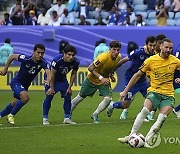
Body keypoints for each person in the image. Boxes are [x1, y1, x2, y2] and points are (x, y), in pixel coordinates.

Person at [118, 38, 180, 148]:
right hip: (154, 92)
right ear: (160, 46)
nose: (168, 50)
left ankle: (146, 141)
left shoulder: (175, 61)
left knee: (161, 120)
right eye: (166, 47)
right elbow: (137, 75)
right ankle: (130, 136)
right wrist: (125, 91)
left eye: (170, 48)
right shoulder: (151, 60)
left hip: (168, 95)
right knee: (145, 111)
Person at [106, 36, 156, 121]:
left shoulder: (154, 55)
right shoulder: (138, 53)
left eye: (154, 45)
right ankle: (113, 105)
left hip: (142, 81)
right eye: (150, 45)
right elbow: (124, 60)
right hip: (131, 80)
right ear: (146, 44)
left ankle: (142, 116)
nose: (152, 48)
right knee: (125, 105)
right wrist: (112, 71)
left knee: (153, 101)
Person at [71, 40, 122, 123]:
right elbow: (90, 68)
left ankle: (95, 114)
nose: (116, 52)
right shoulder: (103, 57)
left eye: (118, 50)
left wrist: (111, 75)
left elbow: (110, 67)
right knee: (79, 97)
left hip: (104, 81)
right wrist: (101, 77)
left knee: (108, 99)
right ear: (110, 49)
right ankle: (67, 114)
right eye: (114, 50)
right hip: (92, 79)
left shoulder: (119, 57)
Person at [0, 44, 51, 125]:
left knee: (14, 103)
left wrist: (48, 80)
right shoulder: (26, 58)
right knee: (25, 97)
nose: (40, 55)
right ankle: (11, 115)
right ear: (33, 52)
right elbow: (12, 56)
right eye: (38, 52)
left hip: (25, 86)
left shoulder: (43, 62)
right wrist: (5, 69)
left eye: (42, 53)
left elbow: (48, 72)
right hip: (16, 82)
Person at [43, 44, 80, 125]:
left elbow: (73, 74)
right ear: (64, 53)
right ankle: (45, 118)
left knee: (67, 96)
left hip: (62, 80)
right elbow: (52, 74)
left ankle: (67, 118)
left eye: (73, 55)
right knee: (49, 96)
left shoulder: (76, 62)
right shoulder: (57, 60)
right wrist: (51, 88)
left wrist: (69, 87)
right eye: (69, 55)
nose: (71, 57)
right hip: (51, 79)